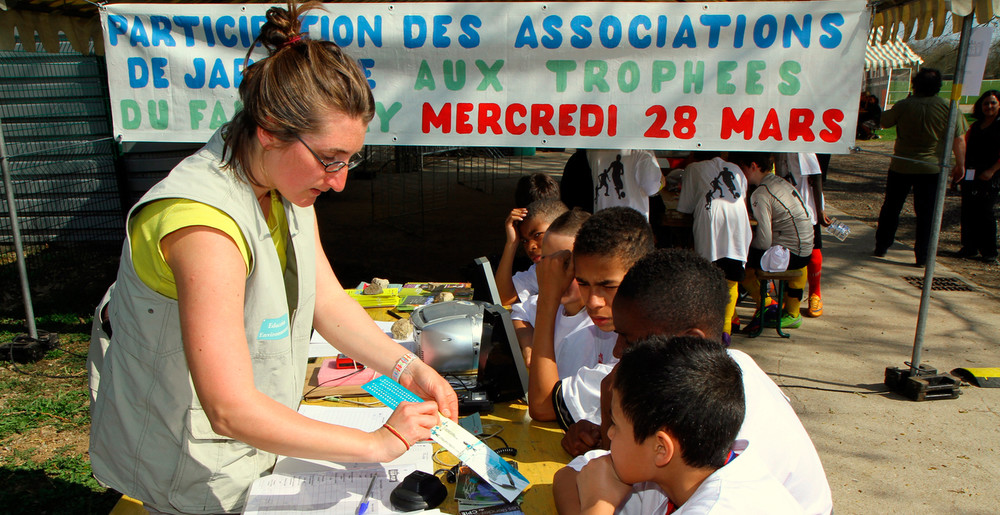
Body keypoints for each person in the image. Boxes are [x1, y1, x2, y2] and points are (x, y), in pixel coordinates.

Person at [86, 4, 456, 514]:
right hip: (190, 466)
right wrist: (378, 444)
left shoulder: (281, 180)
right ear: (270, 130)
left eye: (351, 159)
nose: (341, 180)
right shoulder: (203, 228)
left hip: (254, 448)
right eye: (330, 160)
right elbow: (230, 408)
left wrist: (407, 369)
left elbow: (325, 297)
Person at [553, 249, 833, 515]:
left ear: (690, 342)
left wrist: (595, 506)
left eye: (632, 339)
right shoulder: (699, 391)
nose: (617, 351)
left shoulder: (718, 421)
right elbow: (575, 477)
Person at [573, 335, 804, 515]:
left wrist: (597, 507)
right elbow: (568, 479)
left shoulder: (719, 508)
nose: (609, 434)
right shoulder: (683, 476)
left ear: (661, 448)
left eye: (616, 424)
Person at [530, 207, 654, 424]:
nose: (593, 302)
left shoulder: (645, 354)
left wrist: (548, 299)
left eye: (607, 285)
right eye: (583, 283)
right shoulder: (609, 329)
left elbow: (543, 406)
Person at [875, 67, 968, 267]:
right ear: (938, 87)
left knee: (891, 208)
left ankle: (881, 245)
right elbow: (959, 139)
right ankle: (923, 256)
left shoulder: (904, 105)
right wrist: (960, 165)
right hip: (931, 168)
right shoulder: (949, 107)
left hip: (901, 165)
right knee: (926, 214)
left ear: (914, 85)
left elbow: (883, 122)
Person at [731, 152, 814, 331]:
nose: (740, 173)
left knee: (736, 261)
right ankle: (783, 308)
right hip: (804, 250)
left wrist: (744, 245)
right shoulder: (779, 182)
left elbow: (763, 241)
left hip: (790, 254)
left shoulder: (761, 193)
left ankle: (766, 303)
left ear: (753, 166)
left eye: (742, 168)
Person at [676, 152, 752, 343]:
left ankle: (710, 327)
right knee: (732, 276)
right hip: (738, 219)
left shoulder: (693, 169)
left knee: (708, 274)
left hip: (711, 219)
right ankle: (725, 329)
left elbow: (684, 207)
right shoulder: (736, 169)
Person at [510, 209, 592, 370]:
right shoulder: (554, 305)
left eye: (567, 263)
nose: (557, 273)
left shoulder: (598, 327)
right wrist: (529, 347)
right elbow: (519, 313)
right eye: (548, 263)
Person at [775, 153, 832, 317]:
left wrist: (820, 210)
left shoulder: (802, 145)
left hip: (806, 206)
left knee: (813, 249)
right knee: (786, 249)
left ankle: (815, 294)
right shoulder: (778, 144)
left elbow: (817, 175)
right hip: (784, 206)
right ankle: (788, 293)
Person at [952, 90, 1000, 265]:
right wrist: (960, 167)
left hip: (991, 176)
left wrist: (992, 170)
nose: (989, 106)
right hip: (972, 173)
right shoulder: (976, 125)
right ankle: (969, 246)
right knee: (968, 209)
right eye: (986, 103)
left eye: (993, 103)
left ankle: (989, 251)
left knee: (985, 211)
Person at [495, 199, 568, 305]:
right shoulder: (538, 271)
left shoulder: (588, 265)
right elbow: (504, 299)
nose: (530, 247)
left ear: (562, 228)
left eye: (537, 235)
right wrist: (511, 244)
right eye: (524, 241)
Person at [587, 149, 664, 219]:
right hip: (632, 223)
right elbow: (651, 188)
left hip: (601, 220)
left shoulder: (594, 146)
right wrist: (661, 183)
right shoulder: (642, 150)